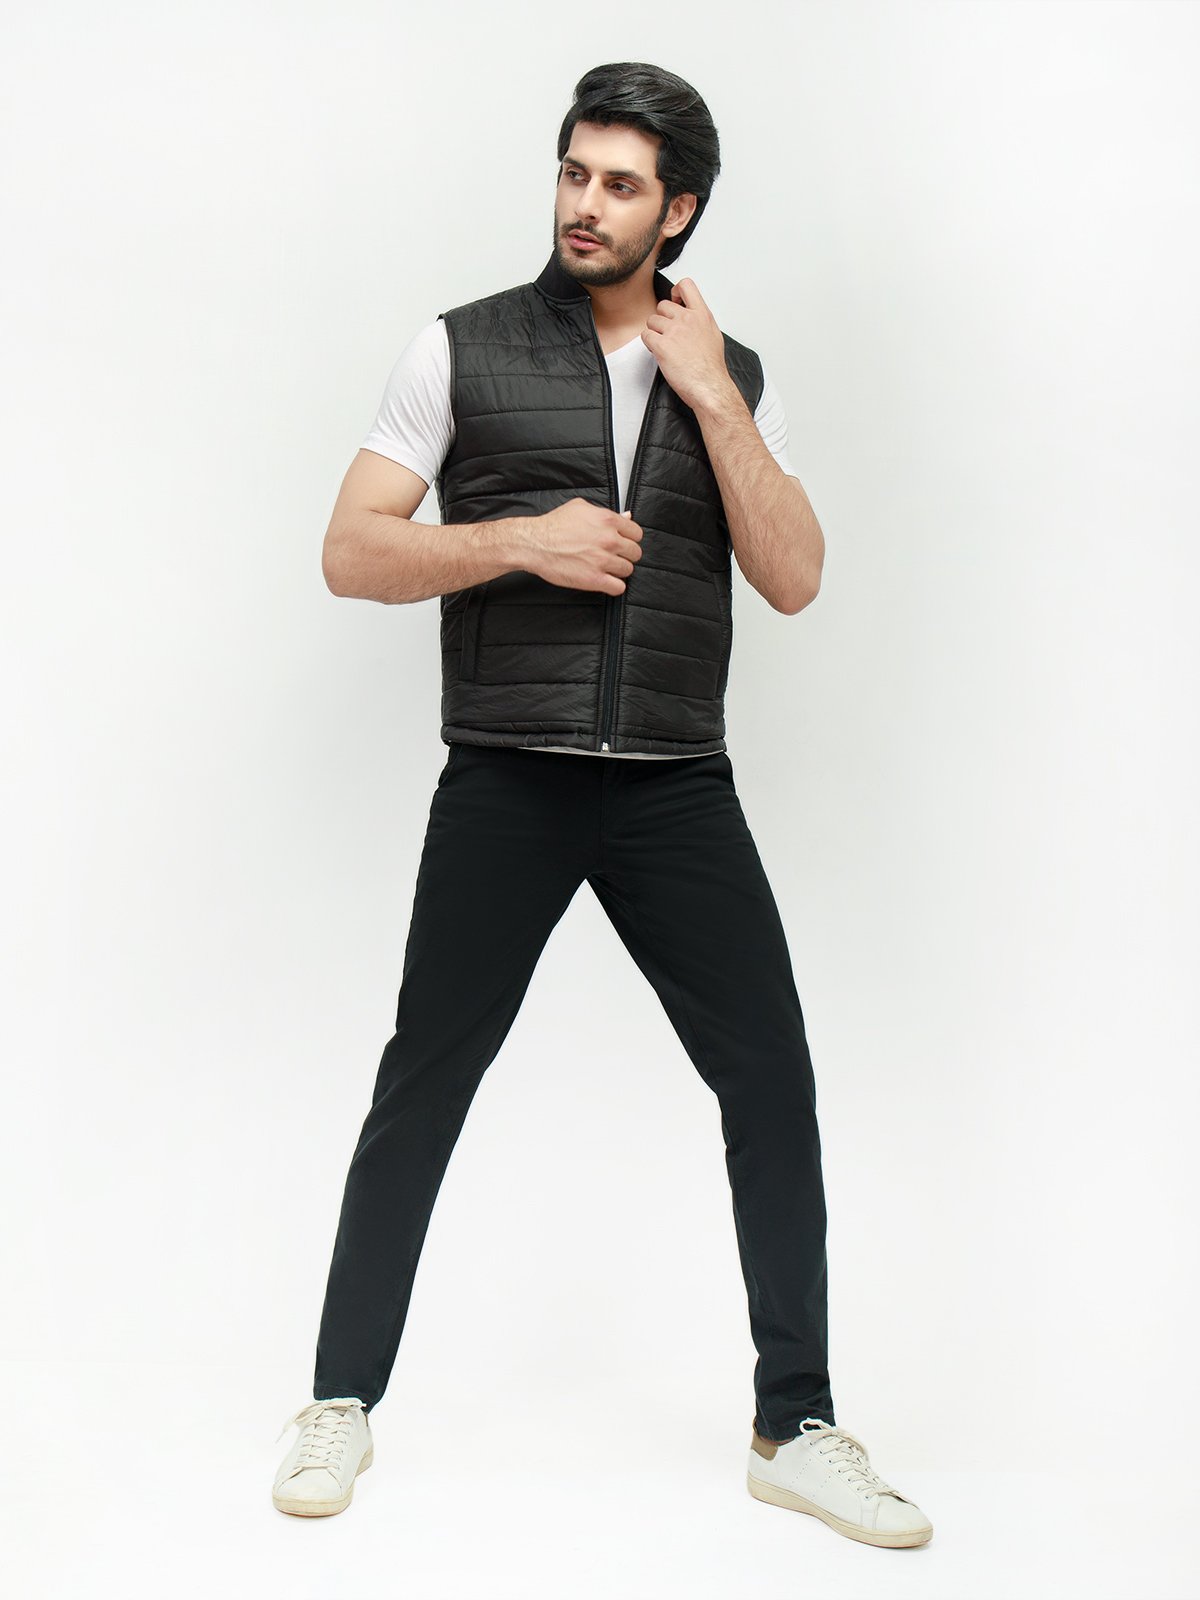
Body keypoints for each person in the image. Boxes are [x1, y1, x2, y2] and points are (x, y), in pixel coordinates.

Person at [271, 61, 933, 1549]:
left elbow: (795, 575)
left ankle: (795, 1425)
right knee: (424, 1082)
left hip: (674, 786)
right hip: (508, 772)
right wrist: (522, 541)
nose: (585, 205)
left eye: (620, 185)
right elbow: (351, 551)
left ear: (676, 211)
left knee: (772, 1081)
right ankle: (338, 1401)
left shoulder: (729, 369)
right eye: (575, 173)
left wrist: (713, 395)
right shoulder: (461, 349)